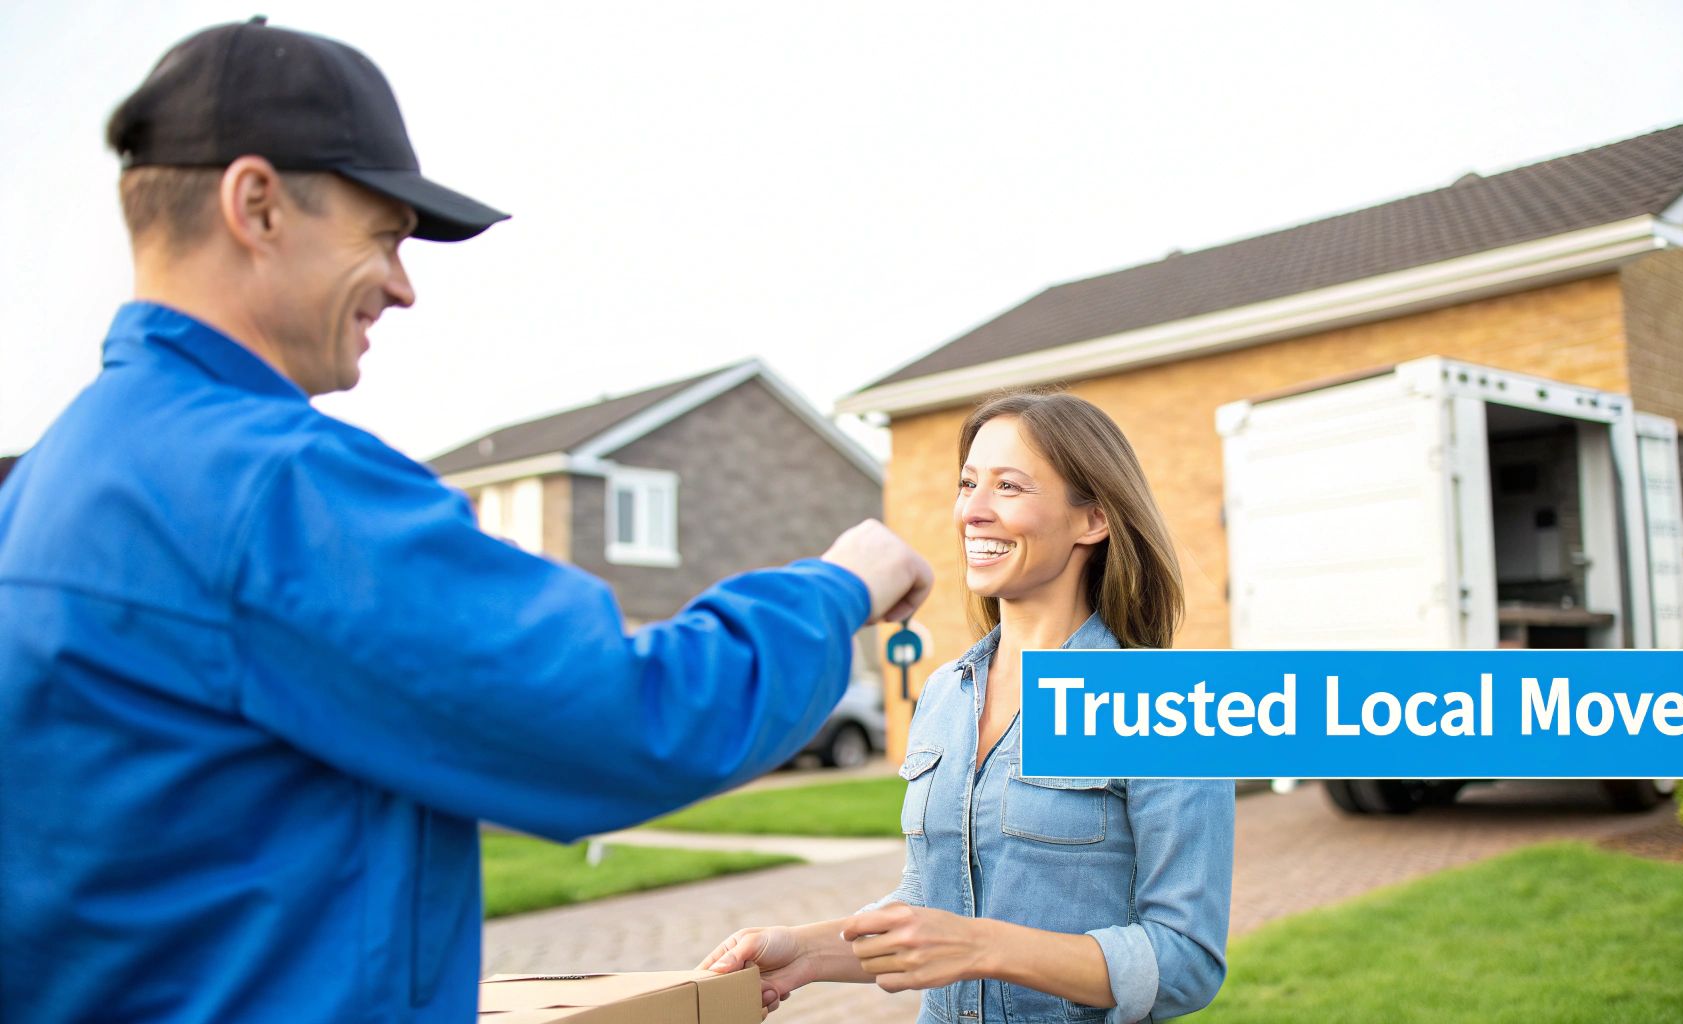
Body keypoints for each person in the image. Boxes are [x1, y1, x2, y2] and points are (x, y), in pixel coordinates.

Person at [0, 18, 931, 1023]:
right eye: (384, 235)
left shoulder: (46, 488)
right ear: (256, 204)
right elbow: (628, 718)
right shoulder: (273, 487)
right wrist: (841, 584)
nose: (402, 285)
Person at [699, 392, 1235, 1023]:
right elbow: (935, 899)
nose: (971, 512)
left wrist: (984, 949)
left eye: (1009, 487)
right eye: (967, 483)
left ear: (1093, 520)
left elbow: (1186, 961)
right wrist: (808, 952)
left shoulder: (1162, 705)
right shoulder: (944, 696)